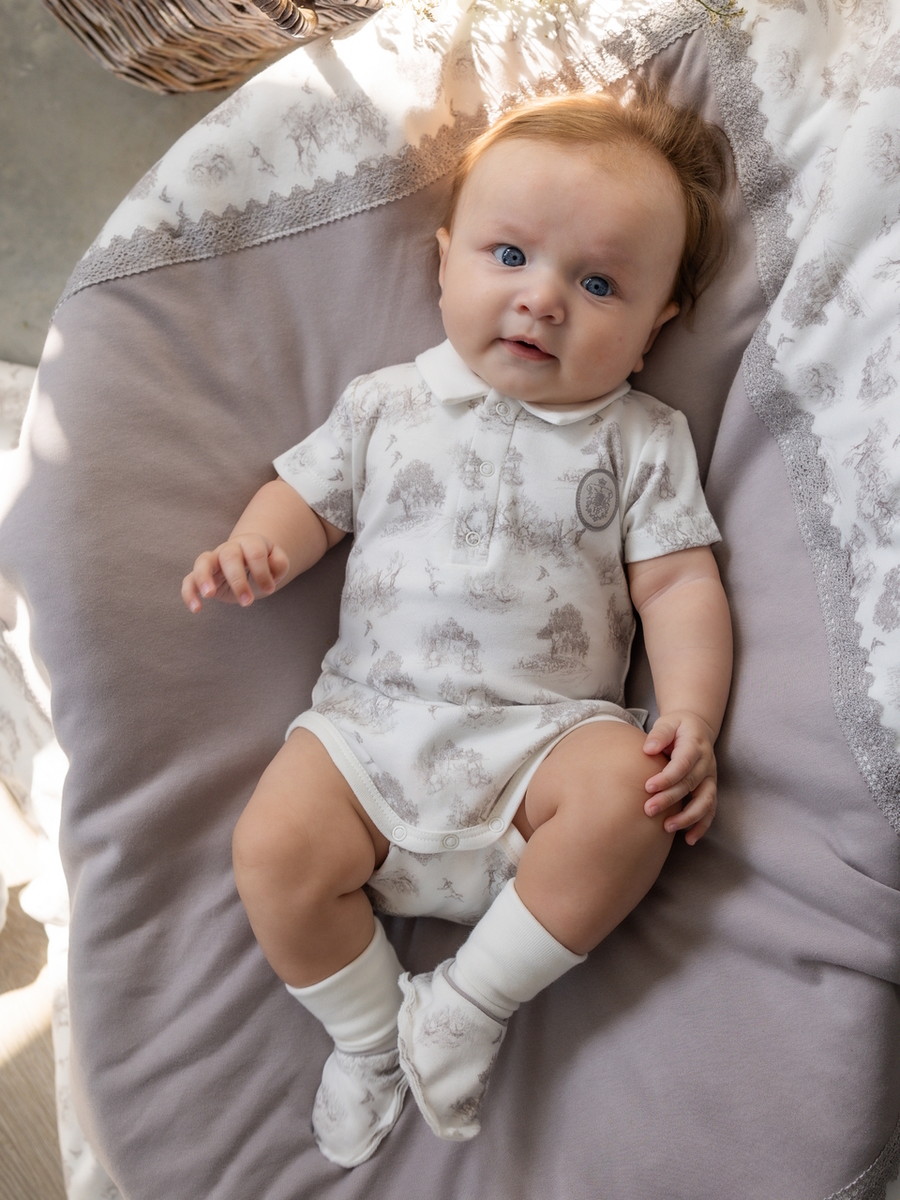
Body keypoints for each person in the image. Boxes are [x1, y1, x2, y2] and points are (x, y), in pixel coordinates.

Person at [182, 87, 733, 1169]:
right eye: (509, 256)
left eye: (599, 284)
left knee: (636, 798)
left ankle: (467, 1004)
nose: (542, 301)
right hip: (369, 735)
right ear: (444, 265)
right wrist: (259, 547)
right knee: (273, 845)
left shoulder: (641, 438)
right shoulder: (387, 403)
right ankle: (368, 1039)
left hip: (543, 752)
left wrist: (692, 718)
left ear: (656, 326)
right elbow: (306, 499)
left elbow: (678, 588)